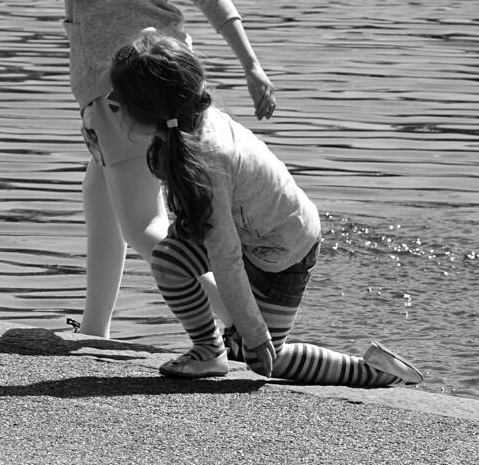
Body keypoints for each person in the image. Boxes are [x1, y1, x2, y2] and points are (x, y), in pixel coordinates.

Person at [7, 0, 275, 338]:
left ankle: (242, 326)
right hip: (172, 82)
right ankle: (96, 329)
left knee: (143, 225)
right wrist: (250, 64)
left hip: (116, 89)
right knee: (100, 193)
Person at [107, 31, 424, 387]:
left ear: (148, 112)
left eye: (116, 101)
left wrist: (254, 331)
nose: (109, 101)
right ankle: (209, 352)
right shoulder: (183, 124)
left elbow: (224, 254)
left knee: (263, 357)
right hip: (249, 234)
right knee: (170, 259)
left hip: (285, 248)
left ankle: (376, 372)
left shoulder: (209, 157)